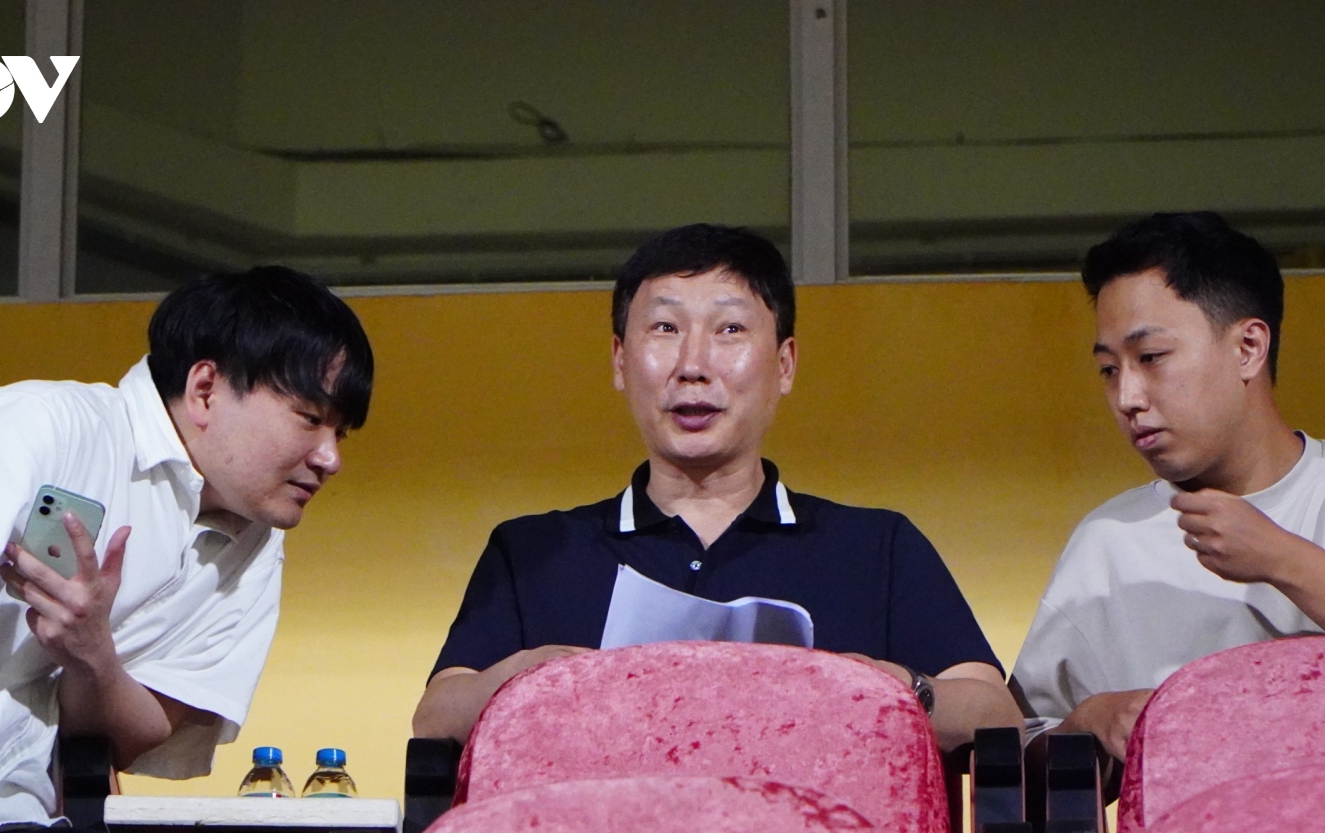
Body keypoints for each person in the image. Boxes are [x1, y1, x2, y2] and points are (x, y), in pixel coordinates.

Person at [0, 266, 373, 833]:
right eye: (309, 418)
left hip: (8, 822)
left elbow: (140, 734)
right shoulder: (45, 426)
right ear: (205, 389)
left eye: (340, 433)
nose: (331, 458)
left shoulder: (256, 547)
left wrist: (92, 652)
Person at [412, 224, 1021, 750]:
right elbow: (437, 716)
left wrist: (888, 687)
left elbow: (997, 714)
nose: (693, 365)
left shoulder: (876, 546)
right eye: (665, 328)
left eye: (729, 329)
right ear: (620, 361)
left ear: (784, 364)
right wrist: (530, 677)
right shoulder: (533, 552)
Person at [1010, 212, 1325, 762]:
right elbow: (1014, 765)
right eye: (1109, 370)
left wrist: (1283, 560)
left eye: (1151, 358)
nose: (1128, 397)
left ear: (1248, 347)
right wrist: (1086, 723)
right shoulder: (1108, 543)